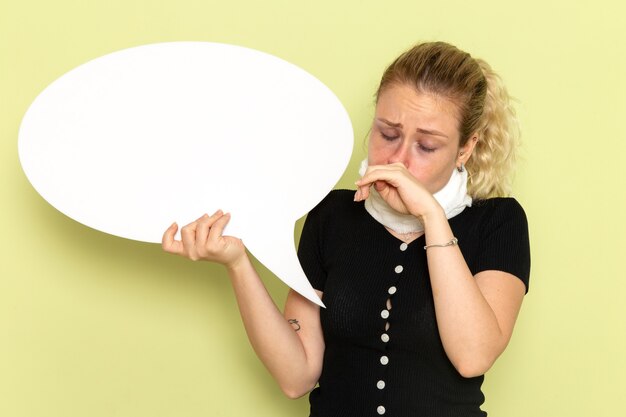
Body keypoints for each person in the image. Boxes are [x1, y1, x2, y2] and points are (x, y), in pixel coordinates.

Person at [162, 41, 530, 417]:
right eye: (387, 134)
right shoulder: (332, 214)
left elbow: (473, 356)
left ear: (465, 150)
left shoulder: (498, 221)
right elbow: (296, 376)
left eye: (427, 146)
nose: (398, 159)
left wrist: (431, 217)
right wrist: (238, 264)